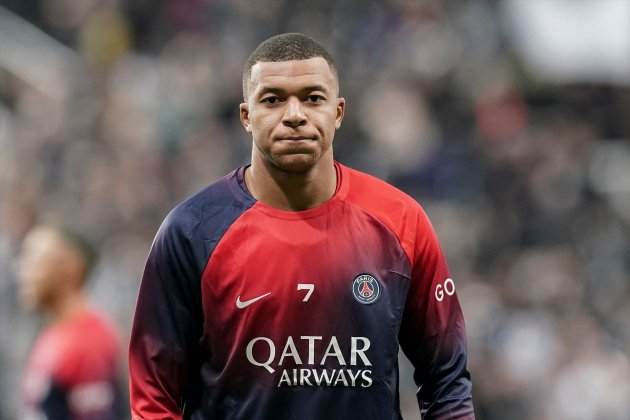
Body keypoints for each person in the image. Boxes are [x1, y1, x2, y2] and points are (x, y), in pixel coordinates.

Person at [129, 33, 474, 419]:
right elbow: (154, 396)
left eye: (312, 97)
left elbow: (446, 381)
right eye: (273, 99)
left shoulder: (400, 221)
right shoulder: (192, 230)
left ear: (338, 112)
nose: (294, 115)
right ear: (246, 116)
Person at [17, 225, 126, 420]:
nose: (22, 270)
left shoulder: (89, 341)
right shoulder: (54, 334)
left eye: (33, 259)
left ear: (71, 267)